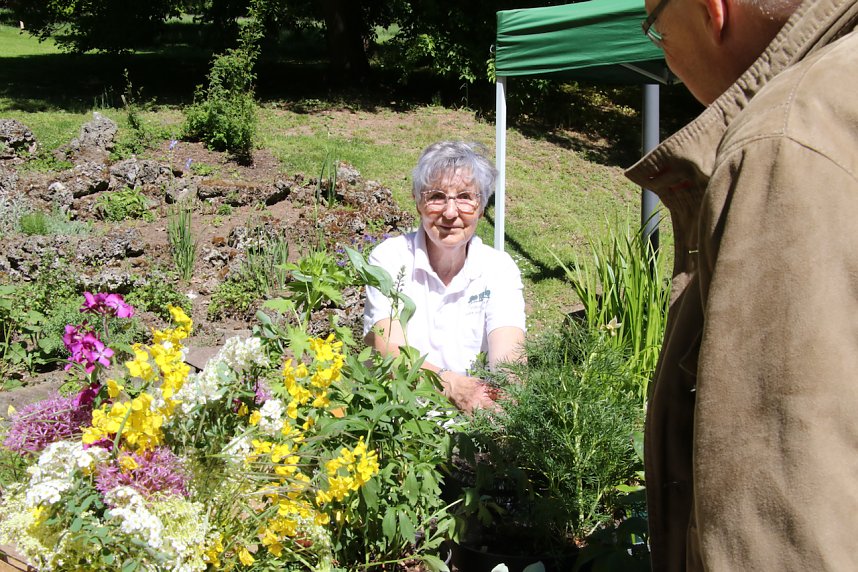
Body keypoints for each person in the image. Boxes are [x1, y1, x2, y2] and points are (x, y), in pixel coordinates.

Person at [625, 0, 858, 569]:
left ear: (712, 11)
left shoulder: (789, 137)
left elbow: (782, 526)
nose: (666, 54)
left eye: (656, 28)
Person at [362, 141, 526, 413]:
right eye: (437, 196)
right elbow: (388, 349)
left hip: (474, 417)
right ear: (418, 203)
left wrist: (504, 403)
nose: (450, 213)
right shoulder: (390, 259)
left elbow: (510, 362)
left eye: (465, 197)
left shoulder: (499, 268)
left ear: (481, 207)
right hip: (396, 418)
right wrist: (451, 386)